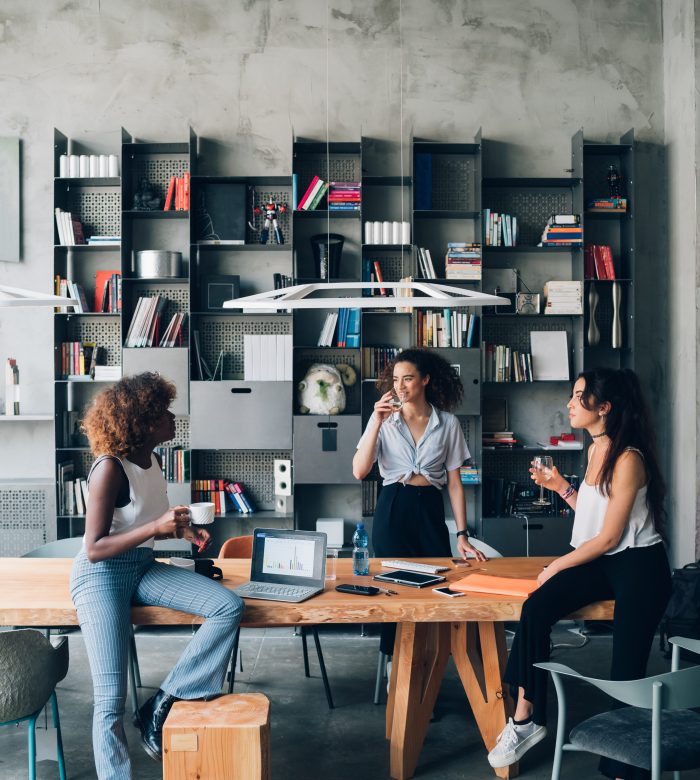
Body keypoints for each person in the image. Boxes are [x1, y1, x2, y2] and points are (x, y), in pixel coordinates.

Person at [488, 368, 671, 780]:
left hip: (640, 566)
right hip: (605, 559)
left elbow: (608, 538)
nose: (570, 403)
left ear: (603, 408)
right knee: (536, 608)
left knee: (626, 670)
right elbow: (596, 522)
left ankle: (624, 767)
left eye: (579, 396)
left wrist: (556, 564)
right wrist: (561, 489)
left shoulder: (629, 459)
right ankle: (526, 719)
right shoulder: (594, 450)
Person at [71, 372, 244, 780]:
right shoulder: (109, 470)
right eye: (163, 412)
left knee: (227, 607)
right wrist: (155, 529)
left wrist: (183, 530)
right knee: (110, 700)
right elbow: (94, 548)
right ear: (141, 420)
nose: (172, 418)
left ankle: (164, 699)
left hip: (142, 567)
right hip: (101, 575)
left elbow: (149, 518)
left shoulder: (154, 460)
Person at [352, 348, 487, 658]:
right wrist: (376, 420)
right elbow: (360, 471)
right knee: (393, 587)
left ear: (425, 380)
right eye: (396, 379)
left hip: (429, 505)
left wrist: (462, 534)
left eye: (408, 378)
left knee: (435, 584)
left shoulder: (448, 423)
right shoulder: (384, 422)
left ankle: (429, 662)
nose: (400, 386)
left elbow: (454, 483)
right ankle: (393, 664)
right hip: (393, 505)